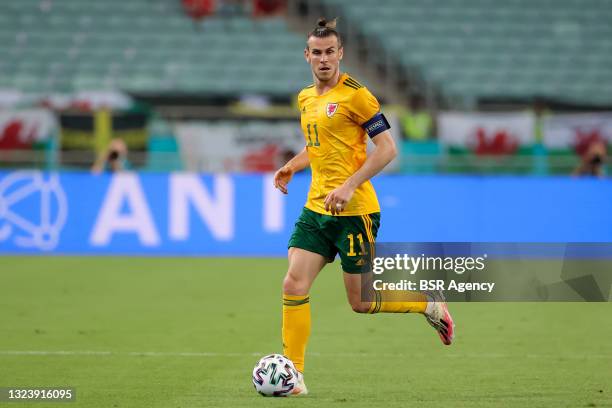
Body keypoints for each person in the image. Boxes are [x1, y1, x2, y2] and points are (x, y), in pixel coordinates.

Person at [272, 18, 455, 396]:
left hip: (355, 211)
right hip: (317, 208)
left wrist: (349, 184)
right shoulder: (306, 97)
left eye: (330, 52)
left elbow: (387, 149)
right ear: (306, 55)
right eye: (316, 53)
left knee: (360, 301)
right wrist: (292, 165)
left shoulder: (358, 96)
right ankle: (294, 376)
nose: (323, 59)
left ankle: (427, 303)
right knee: (293, 282)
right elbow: (318, 145)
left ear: (341, 54)